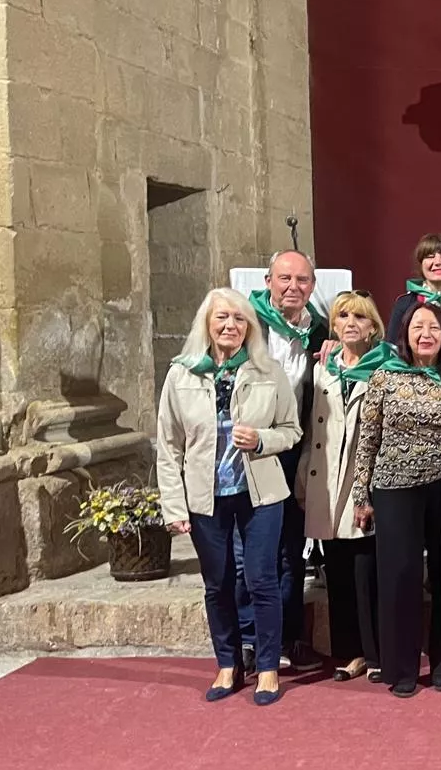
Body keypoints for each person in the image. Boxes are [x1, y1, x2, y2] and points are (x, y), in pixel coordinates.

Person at [156, 288, 301, 706]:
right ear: (207, 323)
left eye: (239, 320)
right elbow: (168, 446)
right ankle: (228, 662)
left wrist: (261, 440)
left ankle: (269, 667)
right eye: (222, 318)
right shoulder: (182, 374)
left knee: (262, 580)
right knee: (217, 584)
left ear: (249, 328)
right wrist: (173, 505)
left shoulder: (267, 369)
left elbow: (292, 430)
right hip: (207, 498)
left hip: (260, 493)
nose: (230, 326)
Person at [351, 302, 441, 698]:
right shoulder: (383, 378)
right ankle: (402, 668)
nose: (426, 334)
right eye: (417, 328)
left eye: (434, 328)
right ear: (405, 335)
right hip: (394, 490)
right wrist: (361, 495)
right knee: (399, 578)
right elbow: (367, 440)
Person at [298, 291, 389, 683]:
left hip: (364, 480)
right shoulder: (321, 369)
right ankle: (349, 652)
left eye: (360, 317)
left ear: (373, 327)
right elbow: (309, 428)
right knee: (335, 571)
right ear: (333, 325)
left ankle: (377, 651)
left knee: (368, 571)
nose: (350, 322)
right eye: (342, 316)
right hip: (325, 481)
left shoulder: (387, 369)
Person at [247, 249, 327, 673]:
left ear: (312, 286)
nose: (293, 287)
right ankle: (252, 642)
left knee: (291, 550)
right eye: (285, 278)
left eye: (302, 280)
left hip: (299, 448)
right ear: (268, 281)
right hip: (253, 448)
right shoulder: (247, 325)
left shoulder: (321, 331)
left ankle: (290, 638)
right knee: (253, 552)